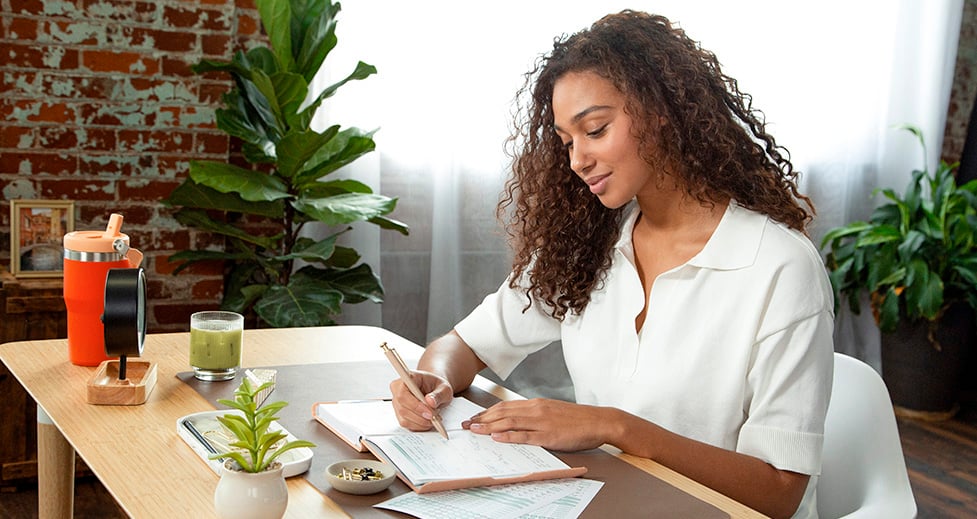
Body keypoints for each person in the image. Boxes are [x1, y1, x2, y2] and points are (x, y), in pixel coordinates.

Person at [390, 10, 834, 519]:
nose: (577, 159)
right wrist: (433, 383)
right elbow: (464, 345)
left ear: (660, 110)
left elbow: (779, 492)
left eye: (595, 130)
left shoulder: (778, 267)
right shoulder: (586, 248)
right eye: (566, 142)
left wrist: (614, 427)